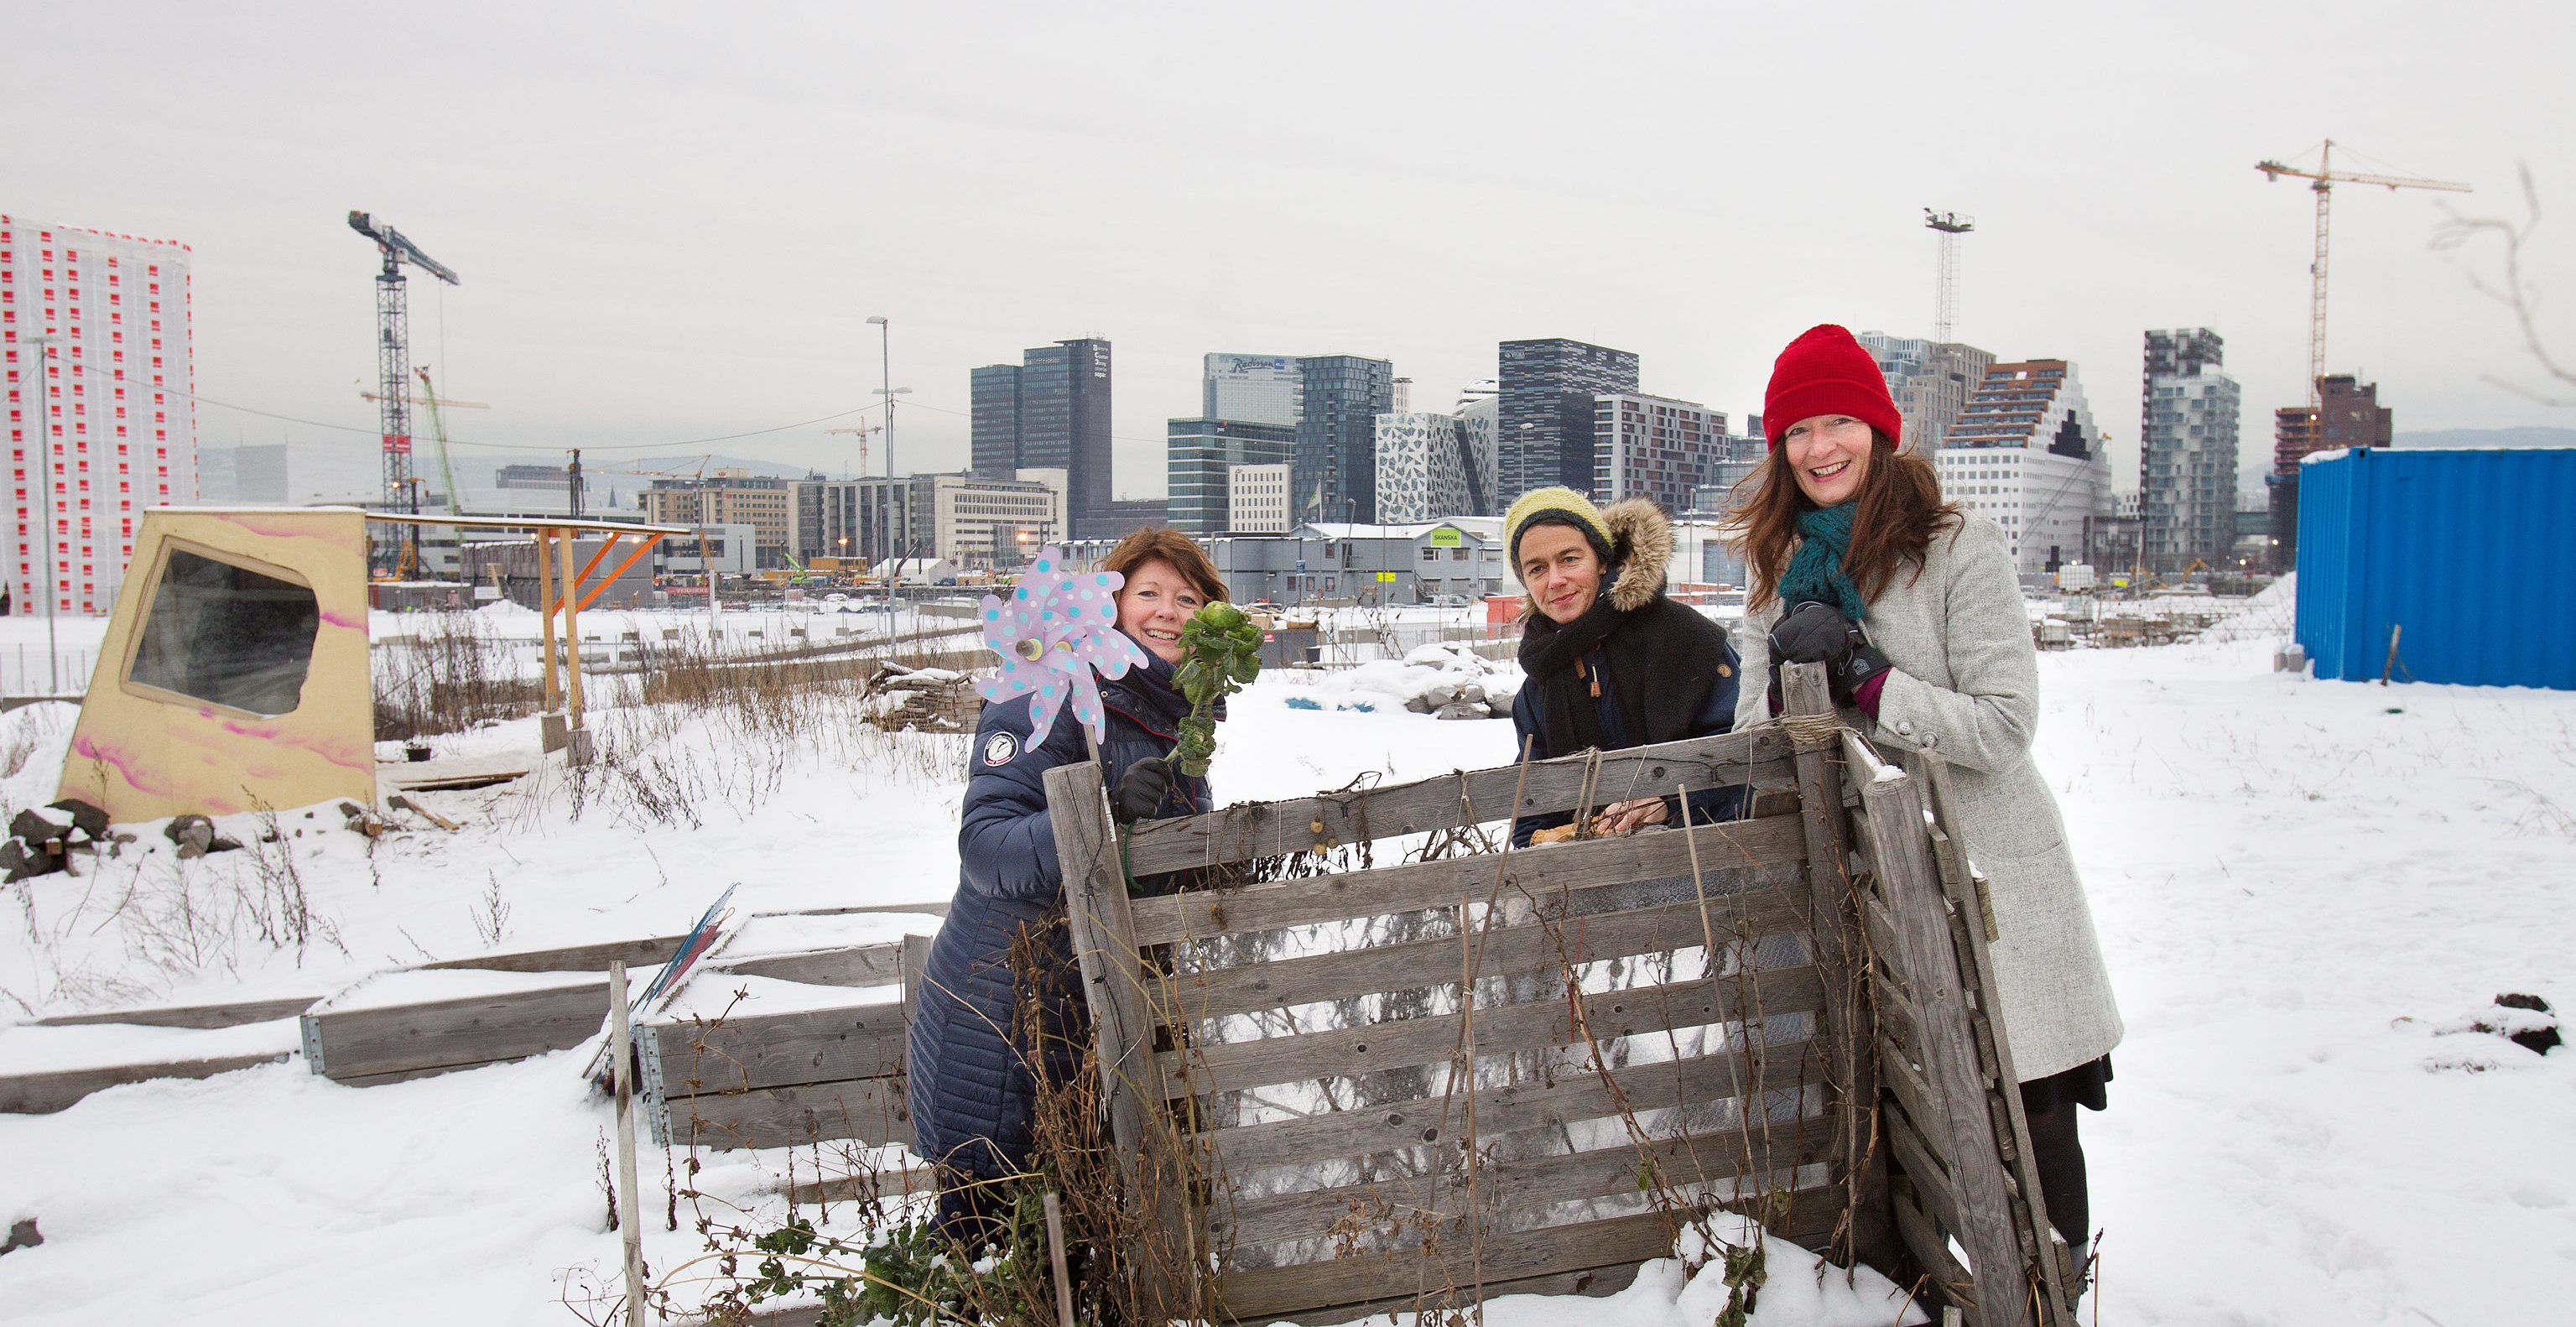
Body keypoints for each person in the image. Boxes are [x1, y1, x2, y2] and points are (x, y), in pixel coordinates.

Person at [1732, 323, 2123, 1277]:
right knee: (1917, 1109)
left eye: (1838, 421)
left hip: (1992, 881)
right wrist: (1790, 676)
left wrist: (1865, 676)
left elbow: (2000, 728)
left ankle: (2056, 1292)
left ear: (1877, 426)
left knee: (2030, 1108)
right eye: (1797, 431)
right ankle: (1949, 1289)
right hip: (1873, 885)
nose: (1820, 447)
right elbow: (1750, 743)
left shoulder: (1956, 546)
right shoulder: (1774, 570)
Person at [906, 528, 1228, 1242]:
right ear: (1107, 606)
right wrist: (1099, 813)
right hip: (1010, 1015)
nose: (1169, 612)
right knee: (992, 1246)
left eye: (1188, 598)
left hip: (1098, 1013)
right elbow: (985, 849)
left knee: (1083, 1249)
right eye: (1148, 593)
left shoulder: (1176, 721)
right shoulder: (1046, 689)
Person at [1503, 487, 1744, 845]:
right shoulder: (1537, 689)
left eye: (1570, 559)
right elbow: (1532, 808)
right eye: (1537, 569)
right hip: (1595, 878)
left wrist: (1671, 803)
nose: (1555, 580)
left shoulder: (1687, 640)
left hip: (1709, 857)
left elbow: (1745, 755)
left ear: (1603, 560)